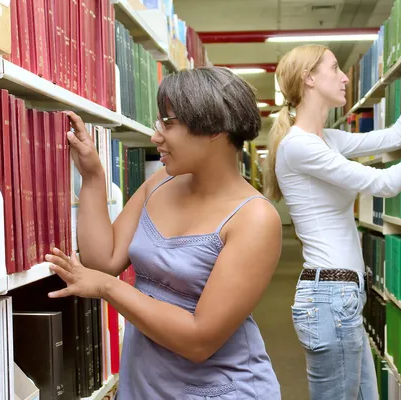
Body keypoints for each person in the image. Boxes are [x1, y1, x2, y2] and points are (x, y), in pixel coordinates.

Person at [45, 67, 283, 399]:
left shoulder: (255, 218)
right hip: (147, 384)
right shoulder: (161, 181)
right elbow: (104, 260)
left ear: (213, 128)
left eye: (168, 124)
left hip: (221, 390)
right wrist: (93, 178)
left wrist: (106, 288)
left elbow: (199, 340)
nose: (156, 136)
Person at [263, 27, 401, 400]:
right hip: (329, 298)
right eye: (335, 68)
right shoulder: (299, 146)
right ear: (310, 79)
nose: (345, 76)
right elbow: (384, 184)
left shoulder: (326, 139)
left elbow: (396, 136)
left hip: (340, 298)